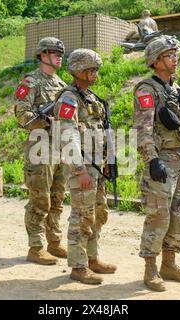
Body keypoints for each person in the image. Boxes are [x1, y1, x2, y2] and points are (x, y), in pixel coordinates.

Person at [133, 35, 180, 292]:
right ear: (156, 60)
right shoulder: (146, 90)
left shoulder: (176, 89)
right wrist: (151, 159)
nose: (175, 59)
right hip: (161, 159)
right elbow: (142, 129)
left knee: (176, 212)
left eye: (176, 55)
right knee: (158, 214)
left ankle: (169, 263)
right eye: (170, 55)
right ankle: (150, 268)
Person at [53, 48, 117, 285]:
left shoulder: (89, 97)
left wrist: (107, 161)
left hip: (97, 167)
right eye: (91, 69)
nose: (95, 74)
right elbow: (68, 135)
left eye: (96, 70)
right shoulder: (69, 98)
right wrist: (79, 170)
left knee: (98, 213)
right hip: (82, 168)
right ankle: (78, 266)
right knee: (81, 216)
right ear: (78, 70)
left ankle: (92, 258)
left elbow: (100, 131)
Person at [14, 37, 68, 265]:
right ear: (43, 55)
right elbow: (21, 116)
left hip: (60, 148)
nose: (59, 57)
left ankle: (53, 241)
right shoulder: (31, 82)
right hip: (40, 147)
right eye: (56, 53)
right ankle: (36, 247)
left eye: (61, 53)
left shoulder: (63, 85)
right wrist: (46, 120)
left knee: (57, 198)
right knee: (40, 199)